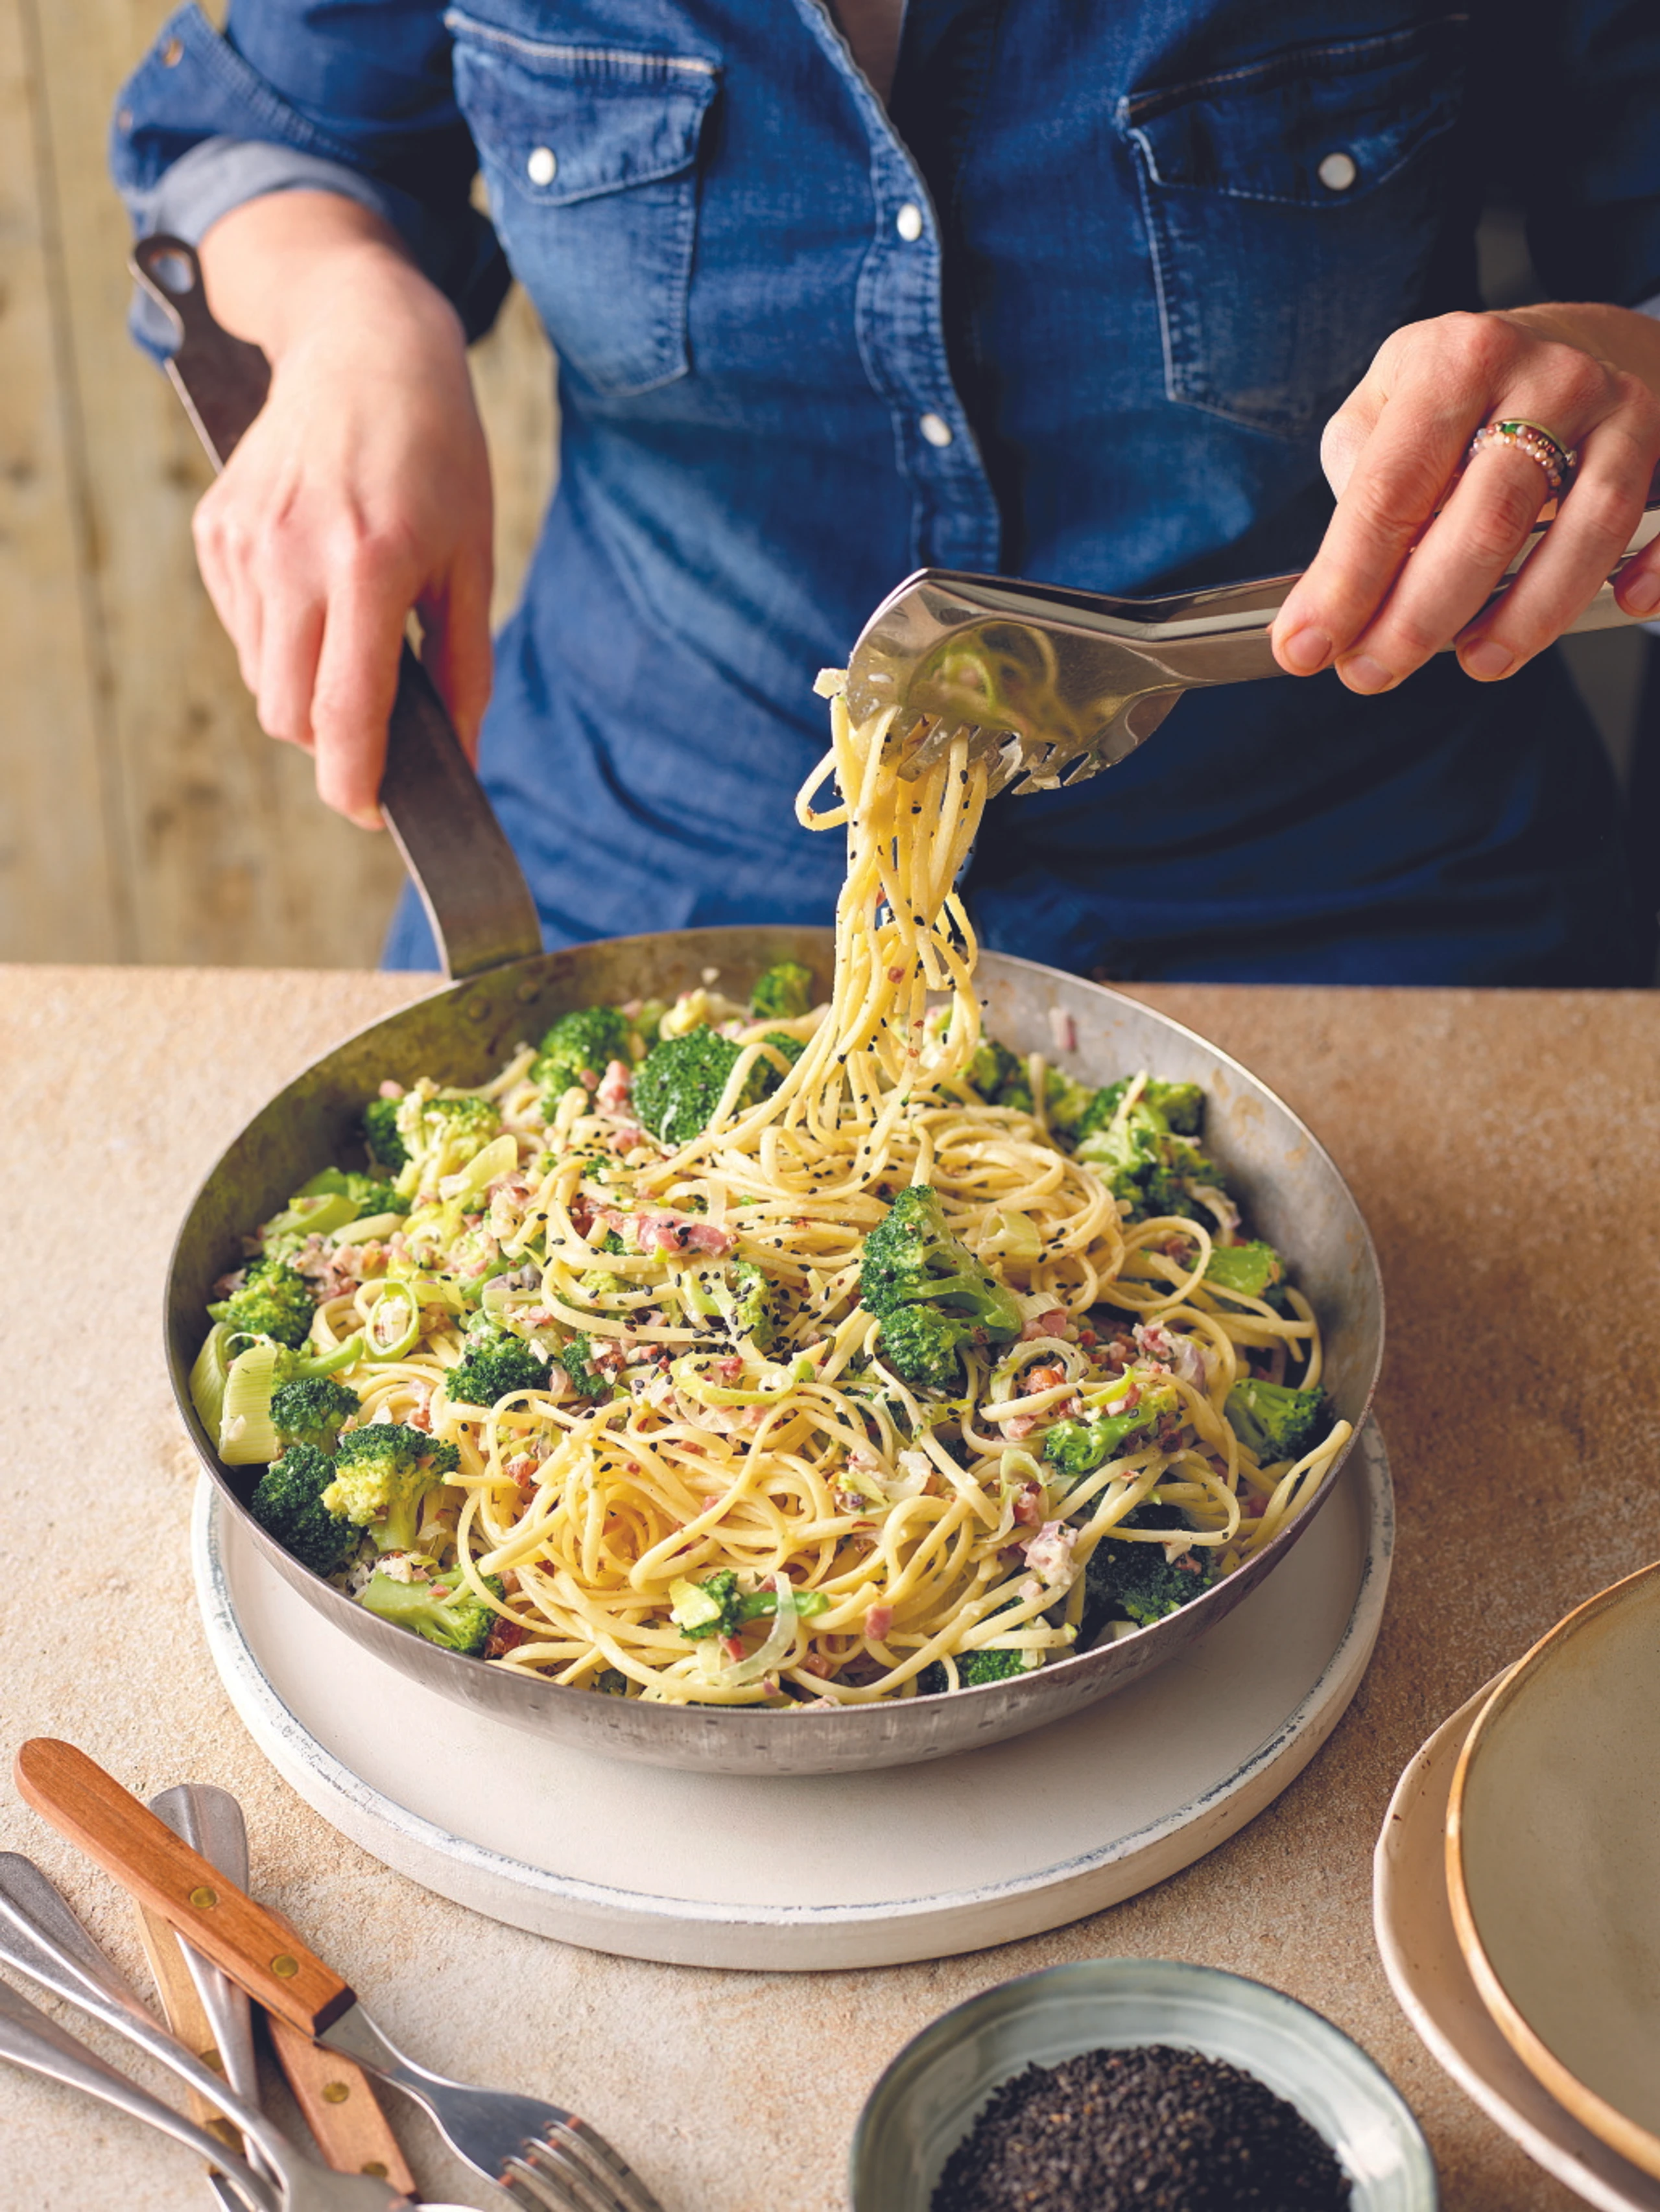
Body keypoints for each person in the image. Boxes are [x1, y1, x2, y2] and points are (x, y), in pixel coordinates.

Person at [112, 1, 1660, 982]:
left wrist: (1621, 368)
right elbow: (255, 133)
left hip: (1353, 872)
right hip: (645, 851)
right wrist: (345, 311)